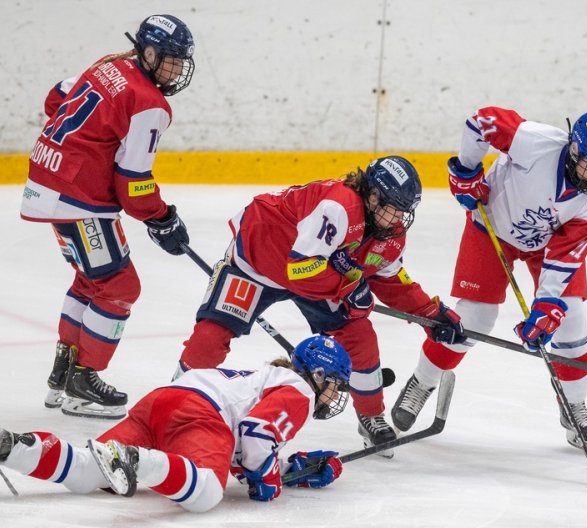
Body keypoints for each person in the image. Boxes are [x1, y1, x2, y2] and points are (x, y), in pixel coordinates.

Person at [177, 155, 465, 455]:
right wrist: (347, 290)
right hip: (258, 261)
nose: (397, 221)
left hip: (319, 273)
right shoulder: (339, 207)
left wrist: (430, 314)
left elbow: (389, 279)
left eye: (403, 213)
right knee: (211, 335)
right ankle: (178, 401)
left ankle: (370, 415)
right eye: (393, 210)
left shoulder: (388, 233)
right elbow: (300, 269)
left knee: (359, 337)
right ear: (374, 196)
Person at [391, 107, 587, 456]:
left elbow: (565, 255)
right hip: (492, 226)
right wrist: (467, 169)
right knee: (473, 319)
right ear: (573, 148)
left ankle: (574, 407)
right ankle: (421, 382)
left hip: (546, 245)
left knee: (570, 318)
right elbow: (479, 121)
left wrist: (546, 306)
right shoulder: (534, 141)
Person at [20, 14, 194, 419]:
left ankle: (62, 374)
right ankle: (84, 382)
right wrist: (162, 217)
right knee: (119, 285)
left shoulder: (109, 64)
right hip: (76, 197)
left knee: (90, 280)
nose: (177, 70)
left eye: (182, 62)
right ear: (148, 53)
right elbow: (133, 184)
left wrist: (86, 147)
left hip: (50, 183)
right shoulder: (150, 104)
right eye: (171, 60)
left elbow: (56, 97)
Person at [0, 335, 350, 512]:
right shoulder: (301, 391)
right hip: (199, 412)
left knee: (88, 472)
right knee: (207, 493)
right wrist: (269, 480)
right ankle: (138, 459)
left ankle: (13, 447)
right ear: (317, 374)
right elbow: (255, 431)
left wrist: (295, 468)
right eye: (334, 384)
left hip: (162, 401)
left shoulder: (269, 378)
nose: (335, 395)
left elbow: (247, 448)